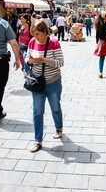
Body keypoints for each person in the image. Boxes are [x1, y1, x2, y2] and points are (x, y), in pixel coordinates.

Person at [26, 20, 64, 152]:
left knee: (55, 108)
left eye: (37, 34)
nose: (35, 37)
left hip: (53, 81)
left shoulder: (53, 42)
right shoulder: (32, 42)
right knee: (37, 112)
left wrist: (43, 60)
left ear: (44, 32)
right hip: (37, 82)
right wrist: (29, 60)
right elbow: (27, 58)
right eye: (33, 34)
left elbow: (60, 62)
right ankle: (38, 140)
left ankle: (59, 127)